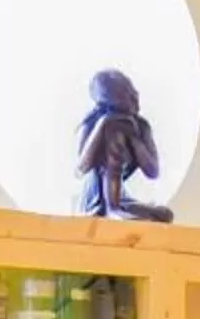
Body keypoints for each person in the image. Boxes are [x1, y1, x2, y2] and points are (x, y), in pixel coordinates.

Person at [75, 70, 175, 222]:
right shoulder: (94, 122)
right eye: (129, 96)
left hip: (122, 198)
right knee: (115, 133)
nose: (135, 99)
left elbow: (153, 171)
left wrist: (134, 139)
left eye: (134, 94)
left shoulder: (140, 126)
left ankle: (116, 207)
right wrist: (103, 125)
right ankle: (112, 208)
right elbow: (81, 169)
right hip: (95, 199)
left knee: (164, 214)